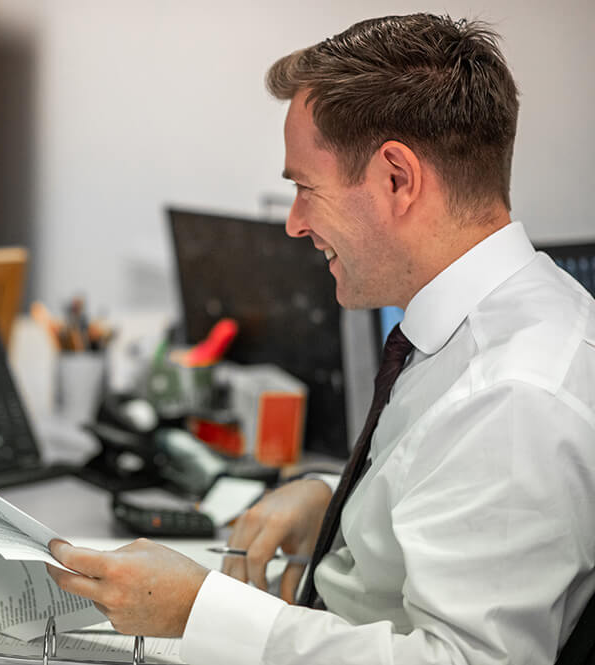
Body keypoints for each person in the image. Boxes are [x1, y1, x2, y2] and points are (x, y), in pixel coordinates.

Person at [47, 14, 595, 665]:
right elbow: (463, 486)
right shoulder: (496, 324)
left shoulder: (512, 398)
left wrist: (201, 614)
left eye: (305, 188)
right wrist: (336, 498)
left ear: (397, 178)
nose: (294, 223)